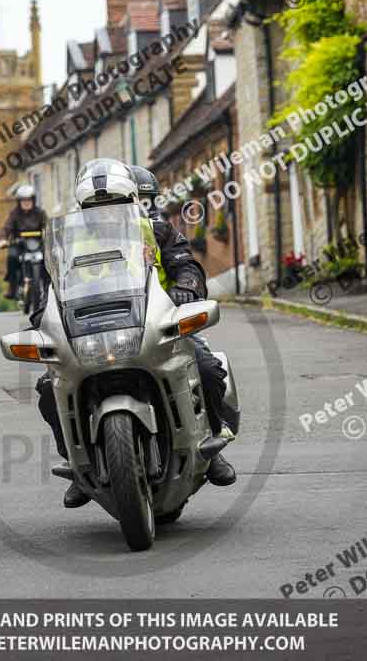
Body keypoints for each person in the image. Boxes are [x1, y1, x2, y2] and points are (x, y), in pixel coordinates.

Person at [35, 159, 236, 509]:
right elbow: (48, 291)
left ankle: (212, 445)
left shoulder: (156, 230)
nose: (107, 213)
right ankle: (77, 463)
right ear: (84, 209)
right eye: (98, 207)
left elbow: (186, 264)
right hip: (90, 332)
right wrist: (42, 318)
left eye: (114, 204)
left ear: (130, 201)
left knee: (205, 367)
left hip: (161, 323)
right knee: (49, 389)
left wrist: (187, 289)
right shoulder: (67, 244)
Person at [0, 183, 47, 300]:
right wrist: (2, 239)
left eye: (29, 199)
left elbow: (48, 226)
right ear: (19, 201)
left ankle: (48, 286)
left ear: (33, 200)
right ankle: (12, 287)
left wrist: (51, 236)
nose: (26, 202)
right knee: (11, 257)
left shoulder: (40, 213)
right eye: (23, 200)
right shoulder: (14, 214)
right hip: (19, 244)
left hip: (38, 244)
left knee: (49, 258)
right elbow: (6, 228)